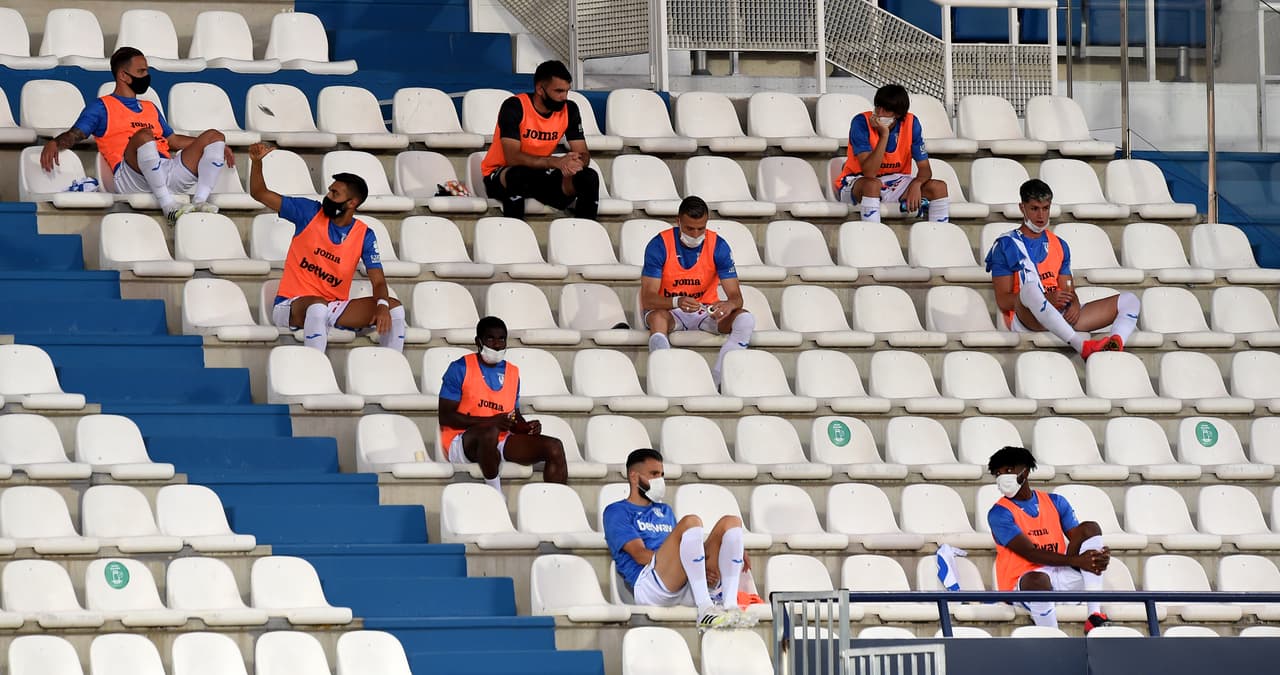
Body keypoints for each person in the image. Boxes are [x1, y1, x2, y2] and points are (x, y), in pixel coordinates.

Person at [40, 46, 232, 226]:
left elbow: (172, 141)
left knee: (214, 136)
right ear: (123, 75)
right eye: (141, 72)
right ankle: (168, 206)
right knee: (144, 136)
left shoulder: (150, 107)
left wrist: (211, 146)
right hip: (130, 177)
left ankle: (199, 201)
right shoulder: (101, 107)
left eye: (146, 71)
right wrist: (55, 143)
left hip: (166, 170)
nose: (146, 76)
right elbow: (76, 134)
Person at [247, 143, 406, 353]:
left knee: (394, 308)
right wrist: (256, 163)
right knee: (317, 305)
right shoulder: (309, 212)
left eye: (335, 193)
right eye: (330, 191)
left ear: (352, 203)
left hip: (332, 306)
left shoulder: (364, 235)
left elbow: (378, 281)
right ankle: (315, 366)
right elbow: (259, 193)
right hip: (289, 305)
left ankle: (393, 367)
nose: (328, 197)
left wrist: (382, 306)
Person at [985, 179, 1141, 360]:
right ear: (1022, 208)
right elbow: (1003, 301)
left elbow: (1067, 287)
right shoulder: (1006, 244)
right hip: (1027, 317)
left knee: (1130, 300)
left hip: (1059, 314)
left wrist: (1073, 300)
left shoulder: (1059, 244)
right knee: (1029, 289)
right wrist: (1045, 298)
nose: (1041, 215)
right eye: (1034, 208)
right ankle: (1082, 346)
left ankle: (1115, 343)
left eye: (1045, 208)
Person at [603, 448, 754, 631]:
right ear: (634, 477)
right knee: (691, 521)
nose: (660, 480)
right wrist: (694, 567)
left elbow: (685, 549)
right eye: (653, 474)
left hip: (682, 583)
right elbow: (640, 555)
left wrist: (731, 546)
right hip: (649, 586)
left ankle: (731, 606)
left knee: (731, 523)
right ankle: (705, 608)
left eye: (661, 475)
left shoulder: (664, 510)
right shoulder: (616, 511)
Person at [987, 445, 1113, 633]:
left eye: (1008, 470)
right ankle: (1052, 635)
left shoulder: (1055, 502)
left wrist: (1097, 555)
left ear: (1025, 472)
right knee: (1038, 580)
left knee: (1090, 529)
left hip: (1061, 573)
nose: (1002, 477)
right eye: (998, 473)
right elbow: (1031, 553)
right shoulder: (999, 513)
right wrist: (1078, 560)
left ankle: (1094, 616)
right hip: (1024, 582)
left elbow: (1079, 539)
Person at [437, 317, 568, 493]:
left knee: (554, 447)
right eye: (490, 339)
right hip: (461, 440)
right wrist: (491, 422)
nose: (497, 345)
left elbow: (513, 415)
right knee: (489, 433)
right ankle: (496, 493)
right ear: (478, 342)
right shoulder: (460, 368)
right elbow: (446, 416)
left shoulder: (512, 372)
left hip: (499, 439)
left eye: (502, 339)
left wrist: (523, 427)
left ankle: (556, 503)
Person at [640, 196, 753, 387]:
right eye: (689, 228)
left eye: (701, 228)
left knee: (745, 319)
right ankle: (664, 381)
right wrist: (677, 301)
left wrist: (729, 305)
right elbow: (648, 299)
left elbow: (736, 297)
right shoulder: (659, 245)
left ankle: (719, 380)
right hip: (669, 311)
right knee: (658, 319)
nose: (695, 234)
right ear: (678, 221)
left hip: (705, 311)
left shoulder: (718, 246)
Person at [479, 60, 599, 220]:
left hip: (539, 173)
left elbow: (583, 153)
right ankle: (514, 231)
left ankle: (586, 231)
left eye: (566, 91)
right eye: (558, 91)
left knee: (588, 177)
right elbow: (512, 158)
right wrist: (556, 162)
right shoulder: (515, 106)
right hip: (501, 173)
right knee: (518, 175)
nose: (564, 97)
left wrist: (576, 162)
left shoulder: (570, 109)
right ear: (540, 89)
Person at [833, 83, 949, 223]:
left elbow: (925, 169)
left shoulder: (911, 123)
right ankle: (872, 233)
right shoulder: (861, 122)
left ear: (898, 114)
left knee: (939, 187)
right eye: (878, 107)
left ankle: (938, 234)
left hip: (895, 181)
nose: (879, 113)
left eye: (886, 110)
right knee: (873, 184)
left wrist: (916, 184)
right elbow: (869, 172)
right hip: (857, 181)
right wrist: (884, 135)